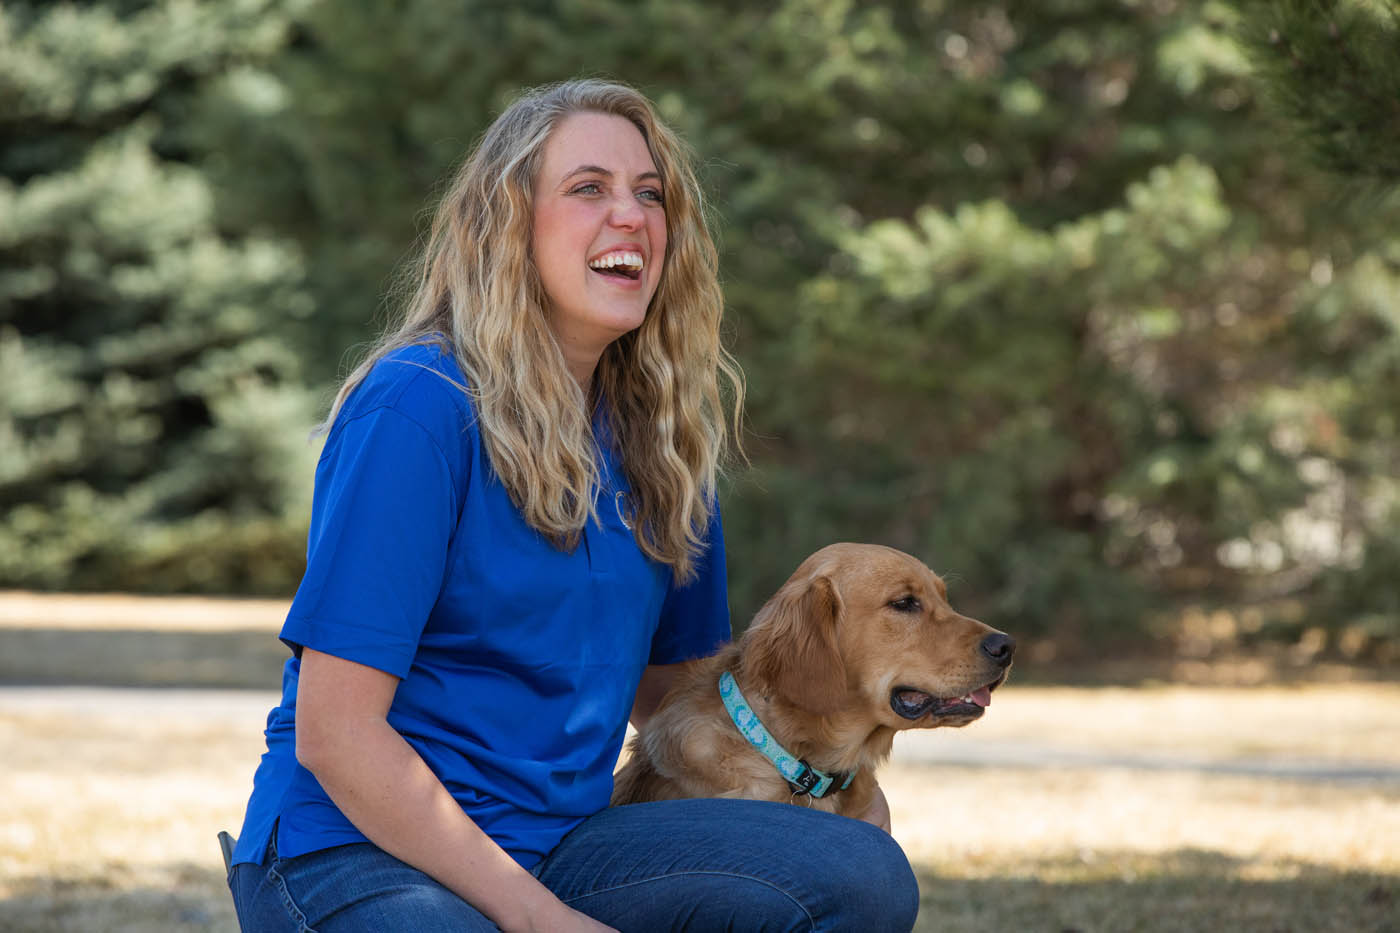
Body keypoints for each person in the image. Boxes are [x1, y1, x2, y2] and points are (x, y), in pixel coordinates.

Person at [227, 78, 919, 932]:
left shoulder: (663, 440)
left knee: (861, 876)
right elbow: (336, 734)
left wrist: (835, 754)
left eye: (650, 194)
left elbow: (680, 699)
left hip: (563, 844)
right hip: (353, 854)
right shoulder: (418, 406)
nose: (630, 215)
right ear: (507, 224)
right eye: (588, 188)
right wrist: (536, 918)